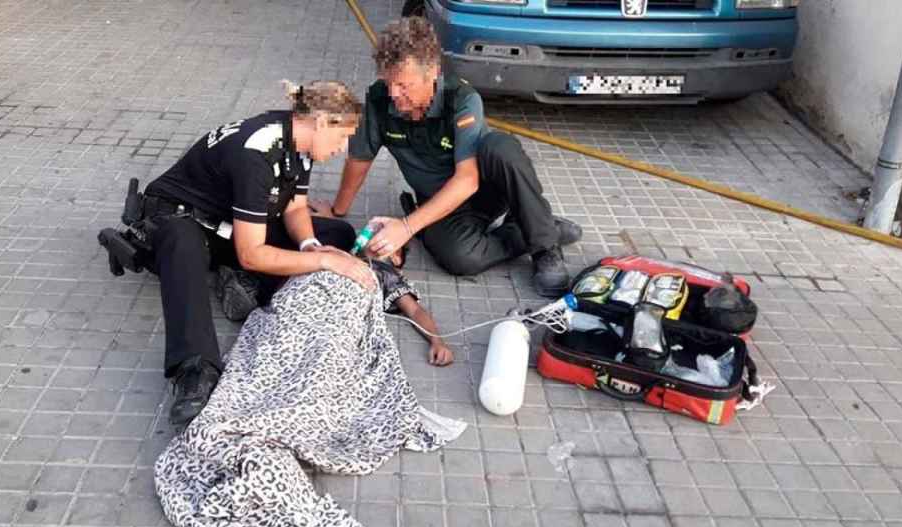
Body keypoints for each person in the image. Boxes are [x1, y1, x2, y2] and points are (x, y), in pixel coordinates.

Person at [138, 81, 377, 427]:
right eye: (342, 138)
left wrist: (312, 246)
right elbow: (252, 253)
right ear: (321, 123)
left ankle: (238, 280)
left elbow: (295, 209)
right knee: (183, 243)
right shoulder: (257, 153)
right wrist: (324, 261)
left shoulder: (298, 141)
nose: (342, 149)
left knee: (336, 232)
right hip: (178, 218)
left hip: (228, 222)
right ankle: (195, 370)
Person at [310, 17, 582, 298]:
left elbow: (467, 180)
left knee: (501, 147)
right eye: (389, 82)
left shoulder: (462, 99)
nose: (394, 93)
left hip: (484, 189)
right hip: (440, 202)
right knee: (461, 260)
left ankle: (545, 247)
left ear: (433, 73)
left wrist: (406, 227)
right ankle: (537, 226)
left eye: (404, 85)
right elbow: (360, 158)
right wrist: (338, 211)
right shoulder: (379, 99)